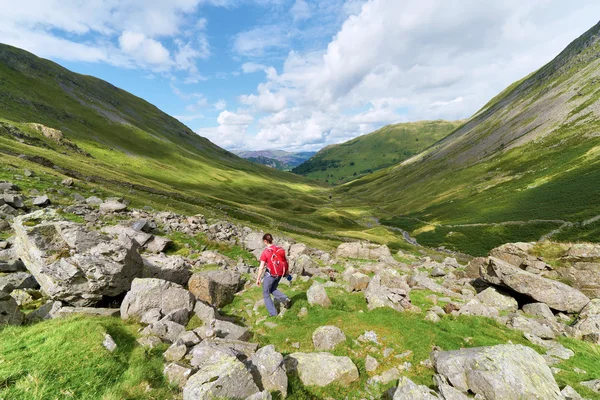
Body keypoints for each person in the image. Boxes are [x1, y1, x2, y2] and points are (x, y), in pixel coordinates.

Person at [256, 233, 291, 316]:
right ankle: (285, 299)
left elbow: (261, 267)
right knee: (272, 289)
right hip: (279, 274)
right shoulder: (278, 249)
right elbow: (285, 260)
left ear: (265, 241)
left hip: (270, 275)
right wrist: (287, 272)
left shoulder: (265, 252)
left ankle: (273, 313)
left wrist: (258, 278)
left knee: (266, 293)